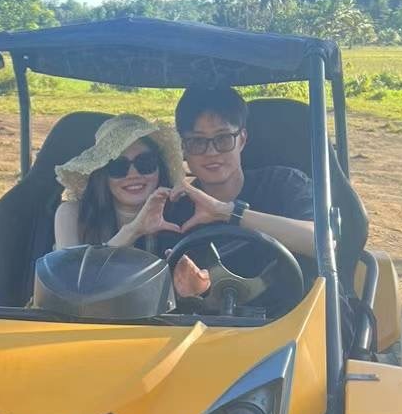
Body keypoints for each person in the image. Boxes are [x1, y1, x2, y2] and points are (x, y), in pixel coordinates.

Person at [167, 84, 316, 298]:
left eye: (223, 138)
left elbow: (323, 243)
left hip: (300, 316)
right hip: (212, 326)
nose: (211, 152)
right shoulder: (176, 210)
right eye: (197, 142)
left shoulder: (285, 184)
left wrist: (226, 212)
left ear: (242, 139)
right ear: (184, 148)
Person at [54, 115, 186, 251]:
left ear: (160, 168)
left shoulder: (182, 211)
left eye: (145, 162)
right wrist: (132, 232)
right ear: (102, 174)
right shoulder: (74, 214)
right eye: (118, 166)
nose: (133, 174)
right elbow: (70, 272)